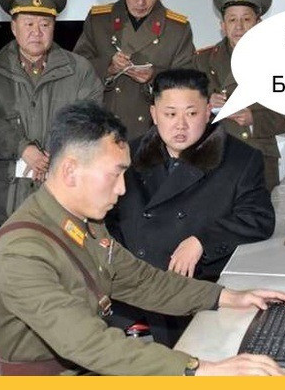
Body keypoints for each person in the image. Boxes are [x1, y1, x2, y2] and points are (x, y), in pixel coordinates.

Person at [0, 101, 285, 376]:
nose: (122, 189)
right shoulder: (22, 252)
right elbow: (87, 343)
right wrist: (198, 370)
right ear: (70, 171)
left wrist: (225, 297)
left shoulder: (83, 223)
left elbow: (142, 281)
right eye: (114, 174)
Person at [106, 68, 275, 345]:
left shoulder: (240, 159)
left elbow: (258, 218)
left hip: (194, 296)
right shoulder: (127, 156)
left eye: (192, 113)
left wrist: (202, 241)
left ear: (208, 112)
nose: (180, 125)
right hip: (130, 295)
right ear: (154, 114)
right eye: (170, 114)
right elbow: (104, 219)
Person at [0, 0, 103, 226]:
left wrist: (56, 154)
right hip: (10, 190)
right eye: (28, 24)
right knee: (14, 248)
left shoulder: (79, 70)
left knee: (65, 248)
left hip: (64, 187)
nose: (36, 32)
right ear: (13, 27)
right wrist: (23, 148)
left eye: (44, 24)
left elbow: (91, 118)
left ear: (54, 27)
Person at [195, 0, 285, 190]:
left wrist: (254, 118)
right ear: (222, 25)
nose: (239, 27)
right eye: (232, 20)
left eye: (246, 19)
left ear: (258, 23)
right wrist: (204, 103)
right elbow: (181, 108)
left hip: (257, 157)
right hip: (212, 158)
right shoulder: (202, 60)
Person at [74, 0, 194, 140]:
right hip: (102, 129)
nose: (140, 2)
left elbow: (188, 82)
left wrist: (153, 77)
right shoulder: (99, 20)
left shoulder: (177, 29)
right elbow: (76, 69)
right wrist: (109, 67)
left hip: (151, 133)